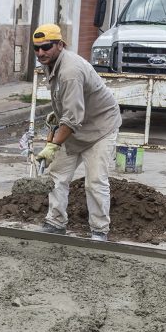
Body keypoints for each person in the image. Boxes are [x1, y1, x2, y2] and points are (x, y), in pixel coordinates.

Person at [33, 24, 121, 241]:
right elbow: (68, 108)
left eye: (46, 47)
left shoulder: (70, 70)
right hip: (76, 127)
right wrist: (57, 115)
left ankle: (99, 231)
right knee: (57, 175)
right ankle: (55, 223)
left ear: (60, 45)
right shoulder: (51, 63)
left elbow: (72, 119)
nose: (41, 52)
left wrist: (52, 145)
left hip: (100, 127)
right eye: (36, 48)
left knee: (95, 181)